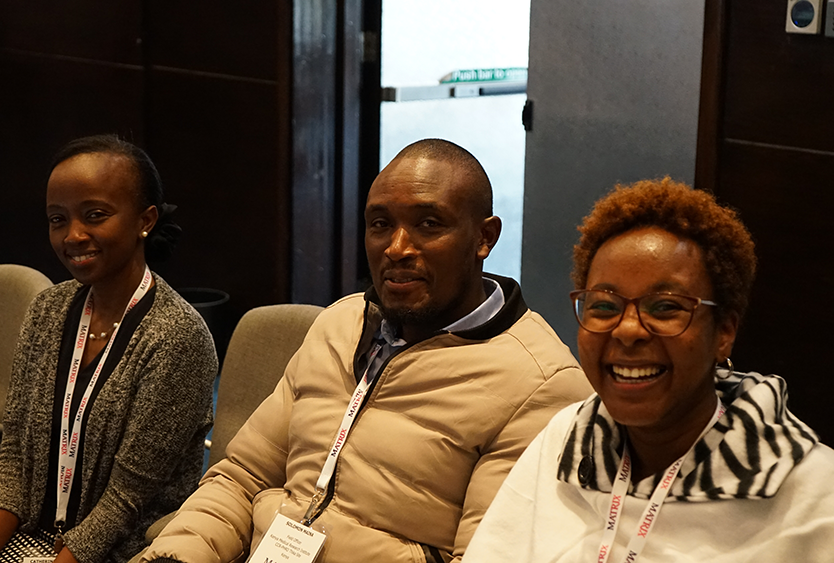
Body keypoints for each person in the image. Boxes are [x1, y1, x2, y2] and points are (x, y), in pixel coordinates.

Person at [141, 139, 591, 563]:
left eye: (428, 224)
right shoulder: (340, 323)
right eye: (380, 224)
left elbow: (481, 555)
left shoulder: (540, 384)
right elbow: (242, 477)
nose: (396, 248)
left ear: (483, 238)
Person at [463, 178, 834, 562]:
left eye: (666, 307)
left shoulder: (814, 496)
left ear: (723, 332)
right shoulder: (567, 439)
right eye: (605, 306)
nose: (628, 330)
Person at [0, 135, 218, 563]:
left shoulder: (177, 338)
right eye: (57, 219)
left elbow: (126, 500)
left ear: (146, 219)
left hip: (120, 549)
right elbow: (14, 460)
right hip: (28, 530)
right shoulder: (47, 310)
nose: (73, 235)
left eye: (95, 215)